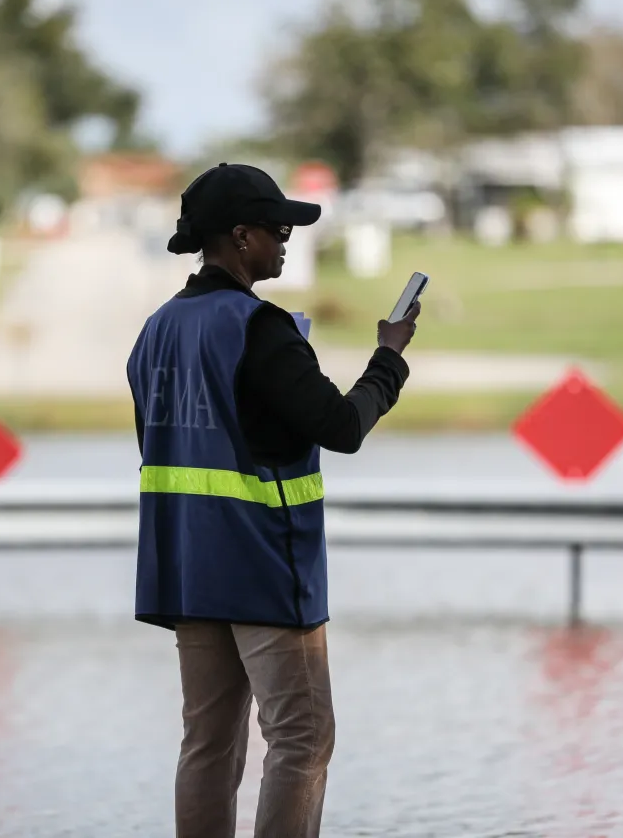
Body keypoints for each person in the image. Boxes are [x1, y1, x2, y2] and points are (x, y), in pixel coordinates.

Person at [126, 163, 420, 838]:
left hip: (187, 569)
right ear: (238, 237)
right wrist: (390, 358)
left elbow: (162, 445)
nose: (286, 238)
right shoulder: (261, 328)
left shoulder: (156, 332)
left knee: (208, 745)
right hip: (263, 566)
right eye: (275, 228)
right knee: (303, 737)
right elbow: (341, 428)